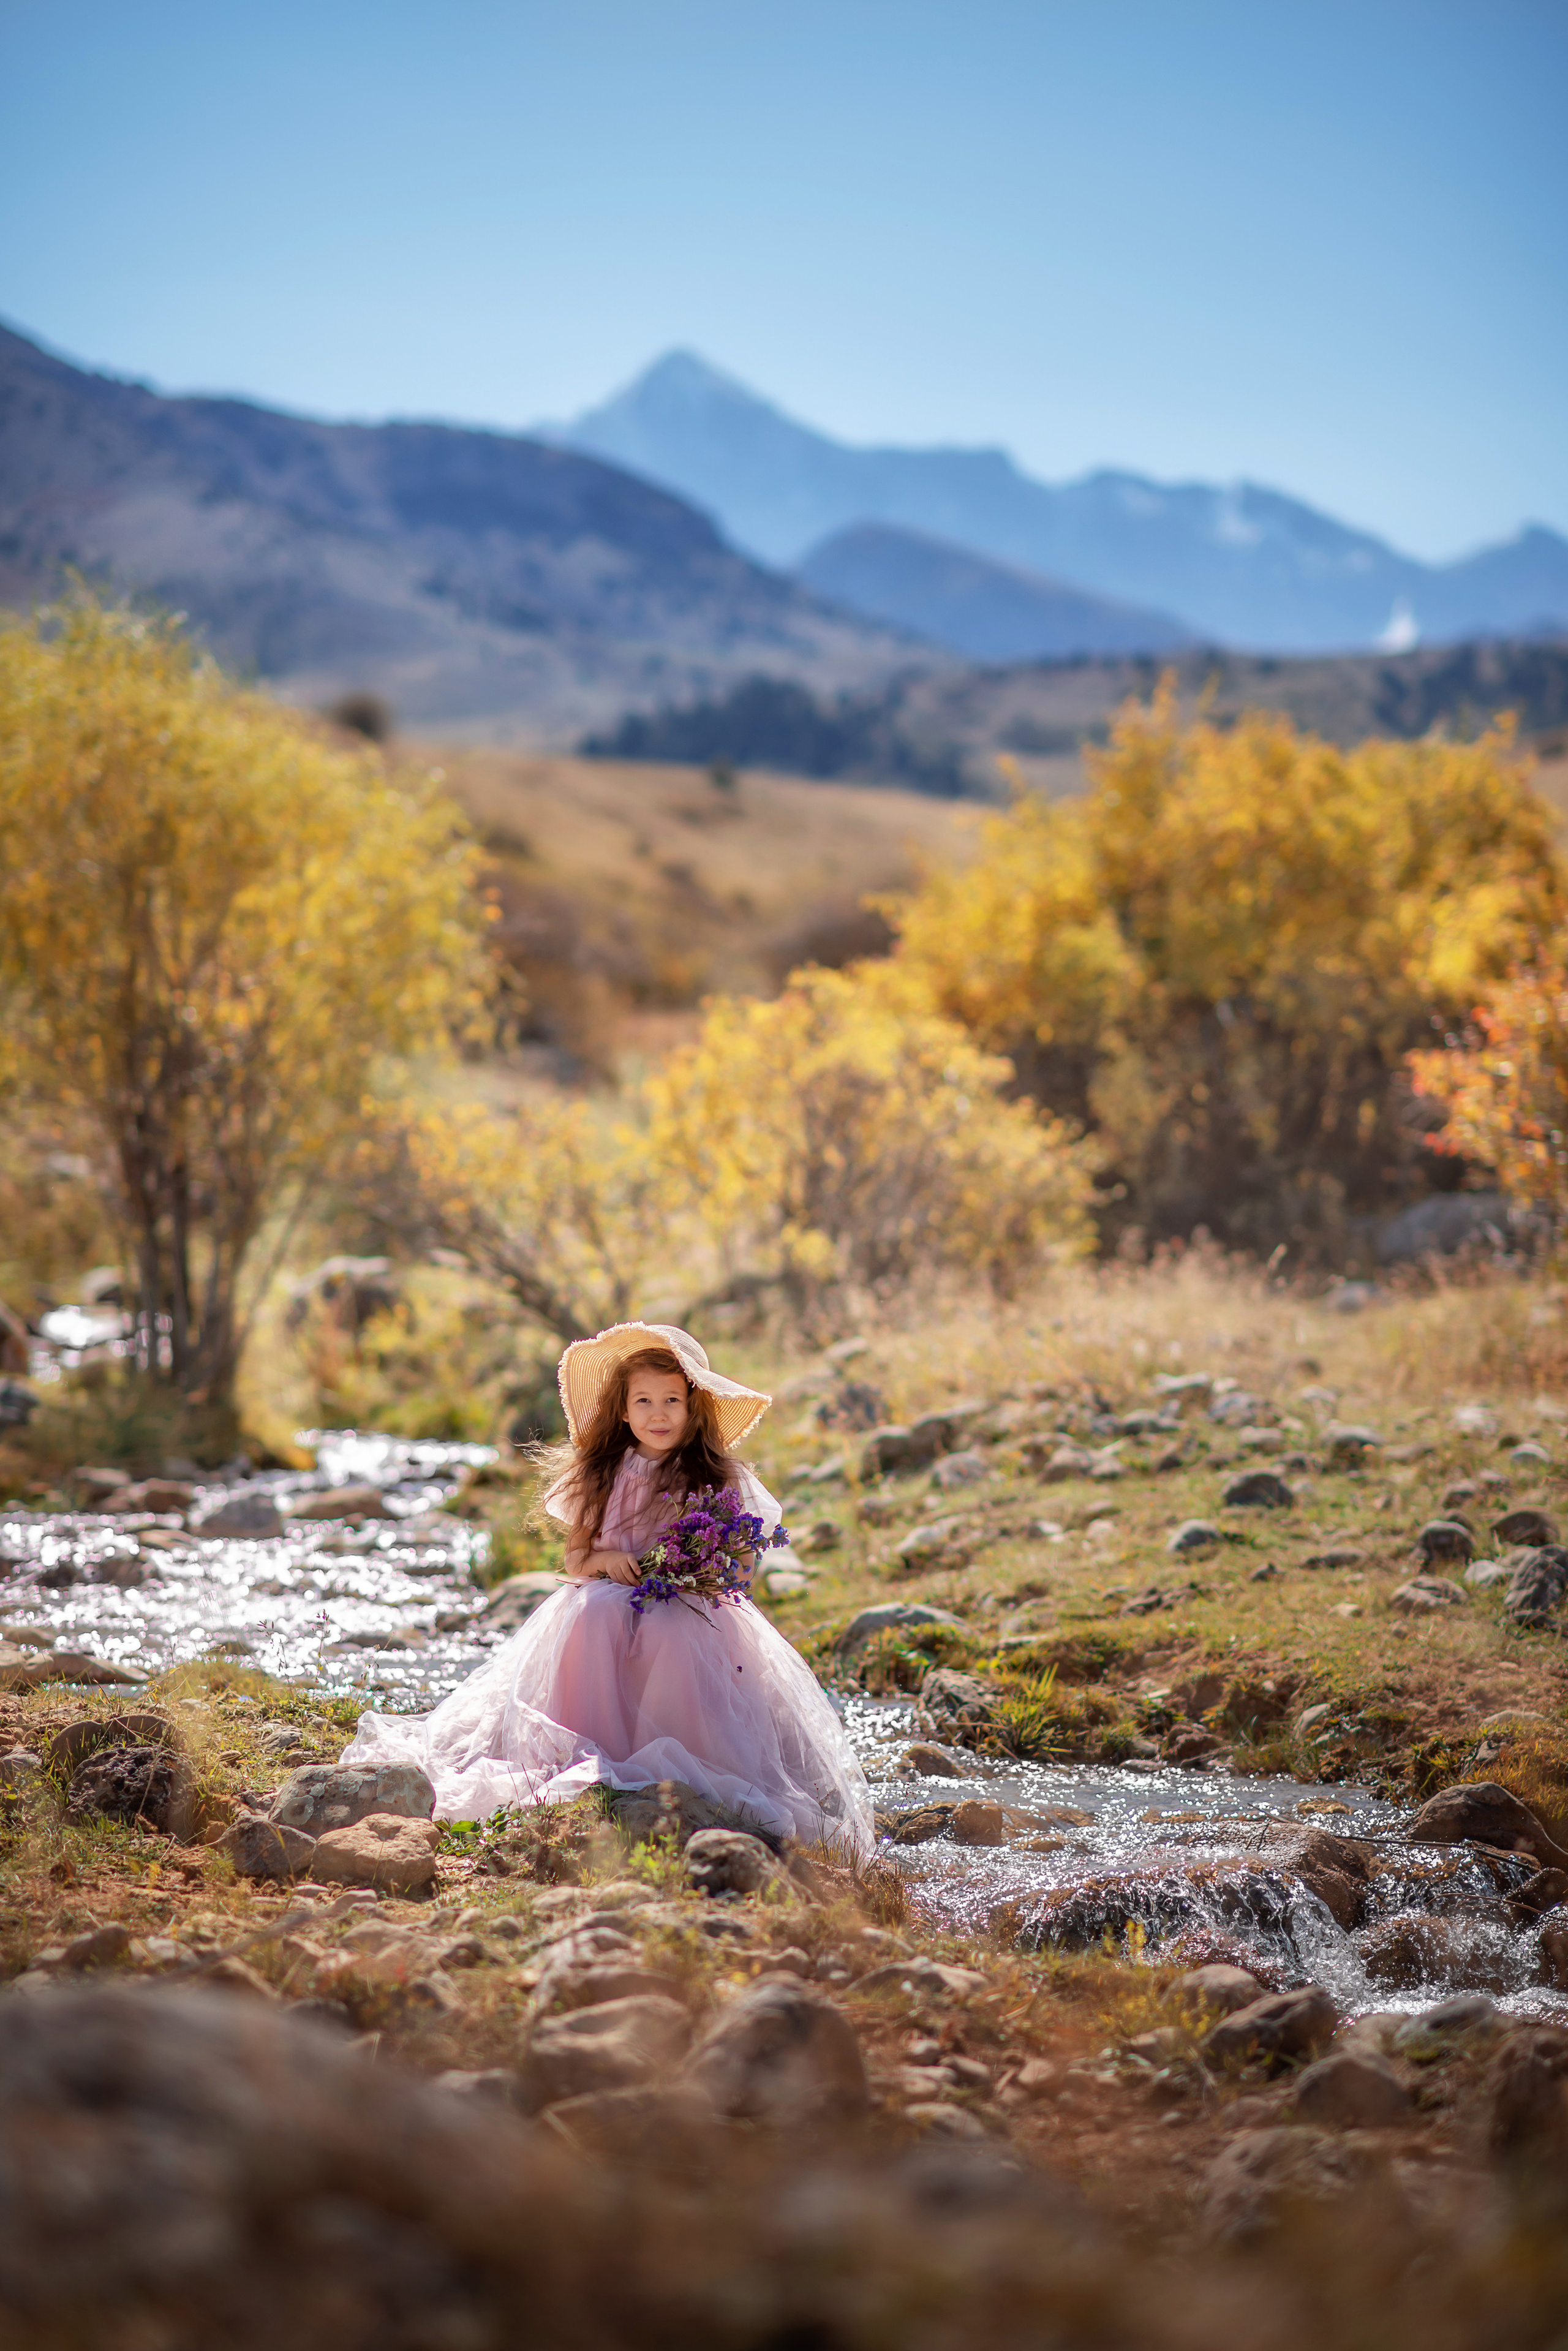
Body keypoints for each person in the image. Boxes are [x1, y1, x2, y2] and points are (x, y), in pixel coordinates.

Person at [341, 1321, 873, 1855]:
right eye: (643, 1401)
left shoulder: (712, 1475)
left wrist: (704, 1570)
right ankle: (591, 1749)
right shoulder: (604, 1472)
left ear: (693, 1408)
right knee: (595, 1612)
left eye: (671, 1400)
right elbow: (576, 1558)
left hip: (686, 1601)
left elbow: (741, 1560)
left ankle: (681, 1757)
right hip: (610, 1592)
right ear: (622, 1410)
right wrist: (609, 1559)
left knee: (673, 1627)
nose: (658, 1413)